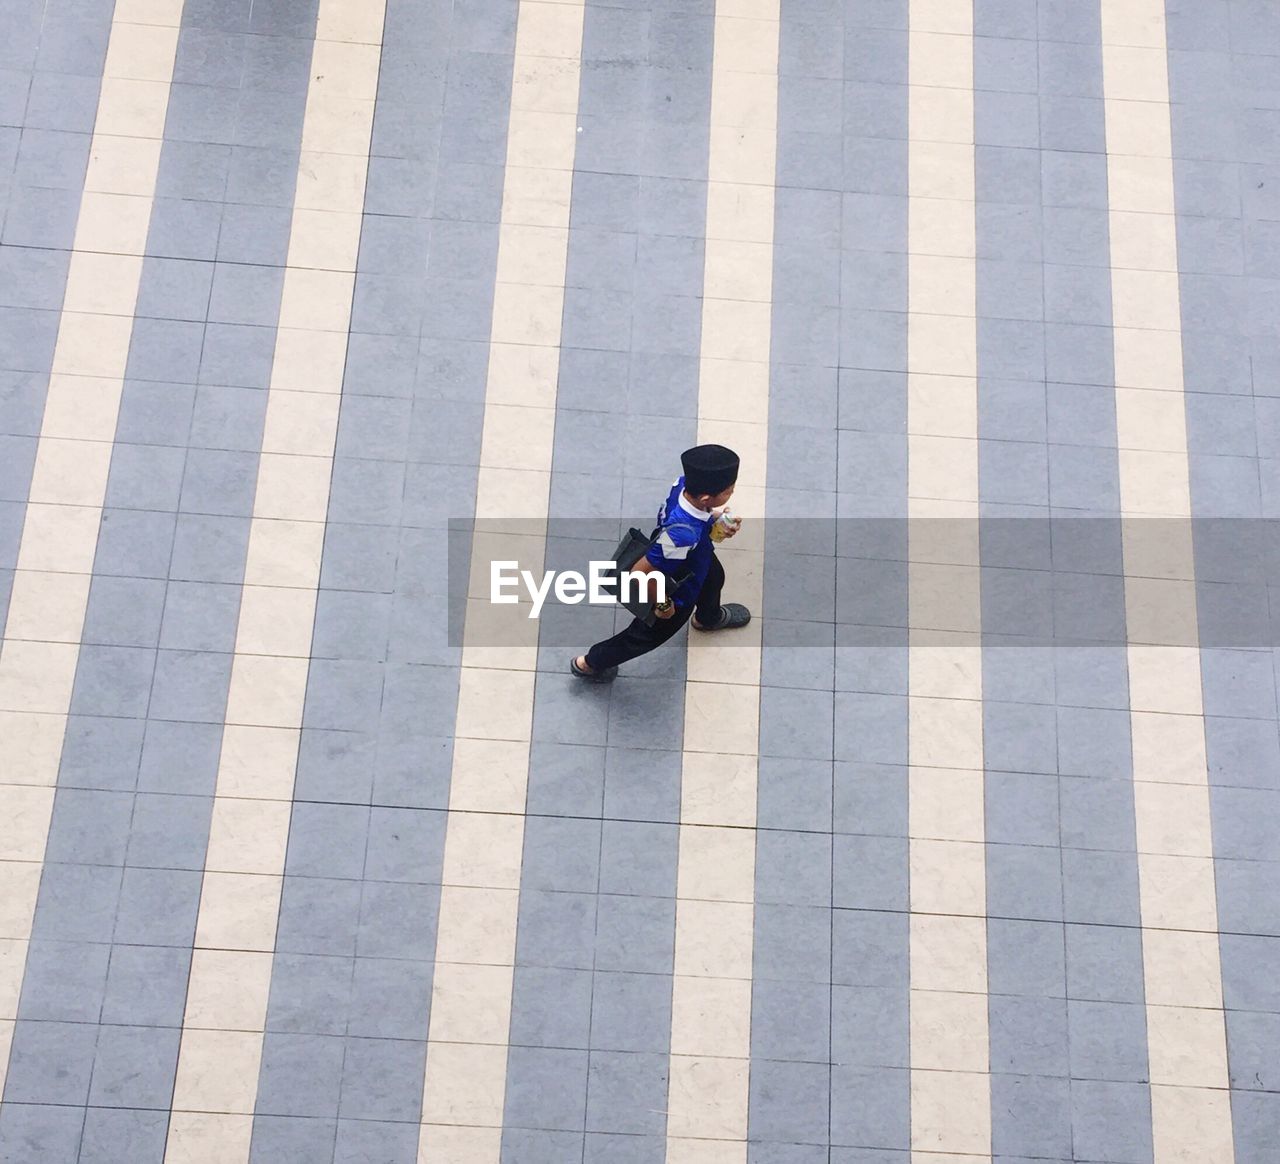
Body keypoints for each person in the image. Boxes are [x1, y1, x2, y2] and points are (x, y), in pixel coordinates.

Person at [571, 443, 752, 682]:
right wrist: (664, 606)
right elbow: (642, 572)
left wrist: (716, 518)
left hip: (697, 557)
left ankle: (708, 618)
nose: (732, 492)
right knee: (644, 636)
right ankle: (590, 663)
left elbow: (696, 513)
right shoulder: (682, 535)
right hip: (677, 588)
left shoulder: (682, 485)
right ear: (707, 497)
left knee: (714, 577)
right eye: (729, 490)